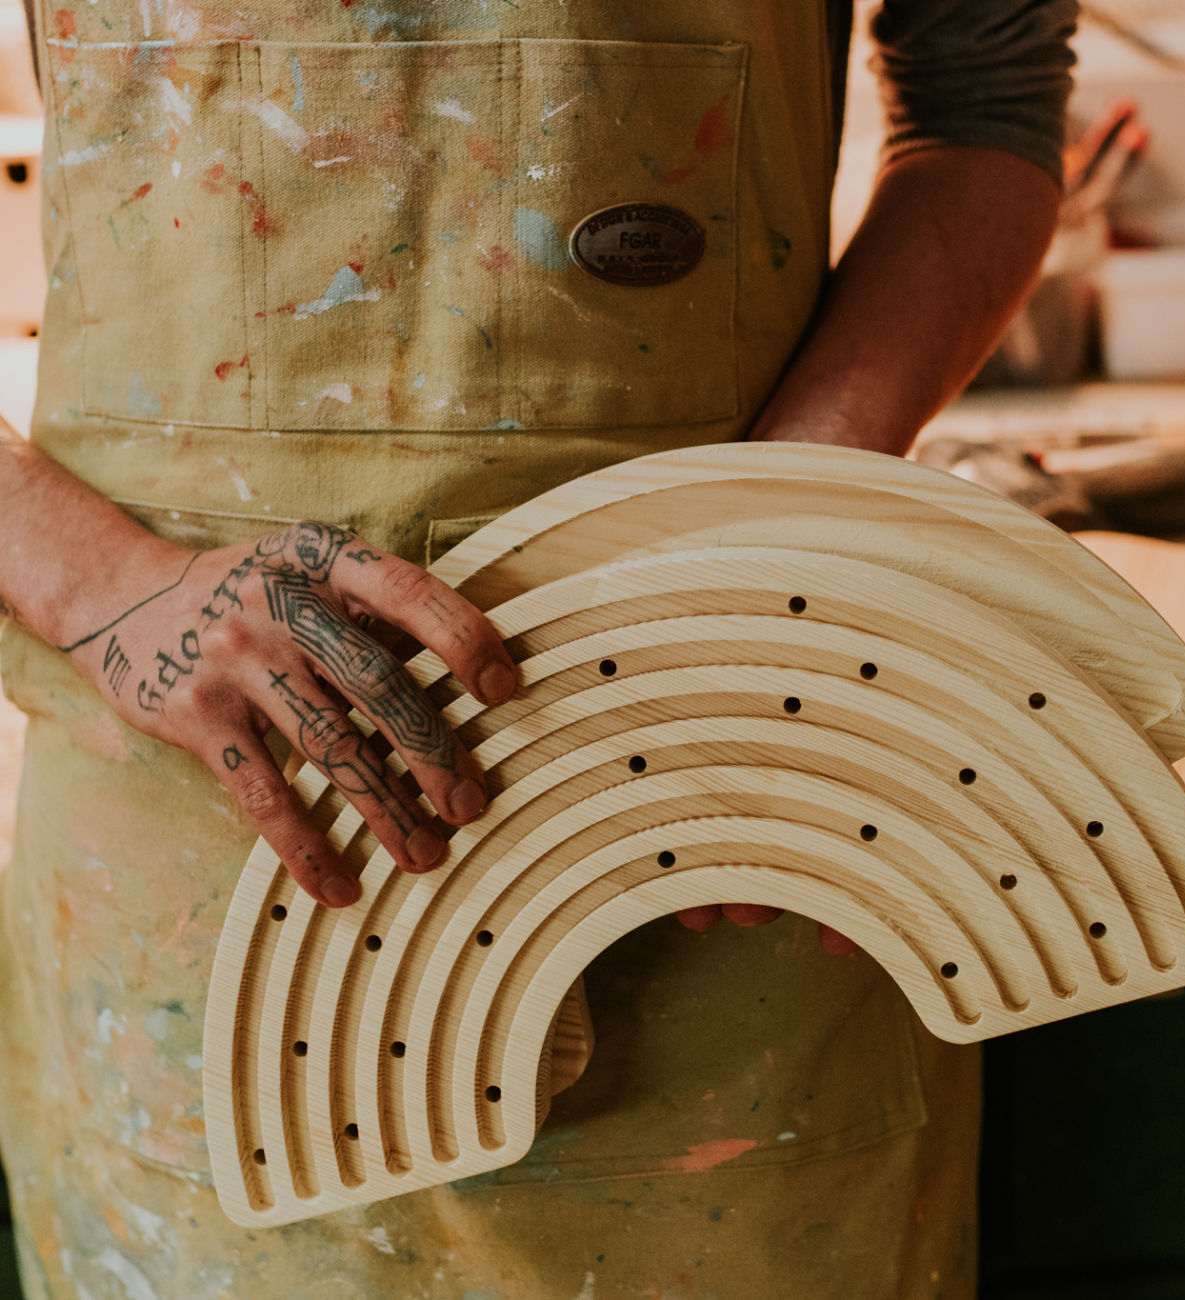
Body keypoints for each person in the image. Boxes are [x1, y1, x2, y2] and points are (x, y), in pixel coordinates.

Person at [0, 0, 1077, 1294]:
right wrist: (94, 578)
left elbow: (983, 100)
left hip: (721, 785)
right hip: (193, 841)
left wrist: (767, 542)